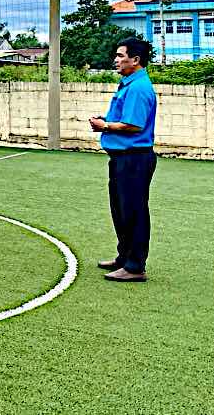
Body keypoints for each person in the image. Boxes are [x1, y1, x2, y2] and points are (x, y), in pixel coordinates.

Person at [89, 37, 158, 283]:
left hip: (134, 159)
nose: (115, 60)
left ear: (135, 60)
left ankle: (135, 266)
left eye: (120, 56)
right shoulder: (128, 84)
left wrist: (104, 125)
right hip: (123, 158)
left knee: (134, 212)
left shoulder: (139, 88)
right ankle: (124, 257)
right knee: (121, 211)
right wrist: (106, 121)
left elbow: (133, 125)